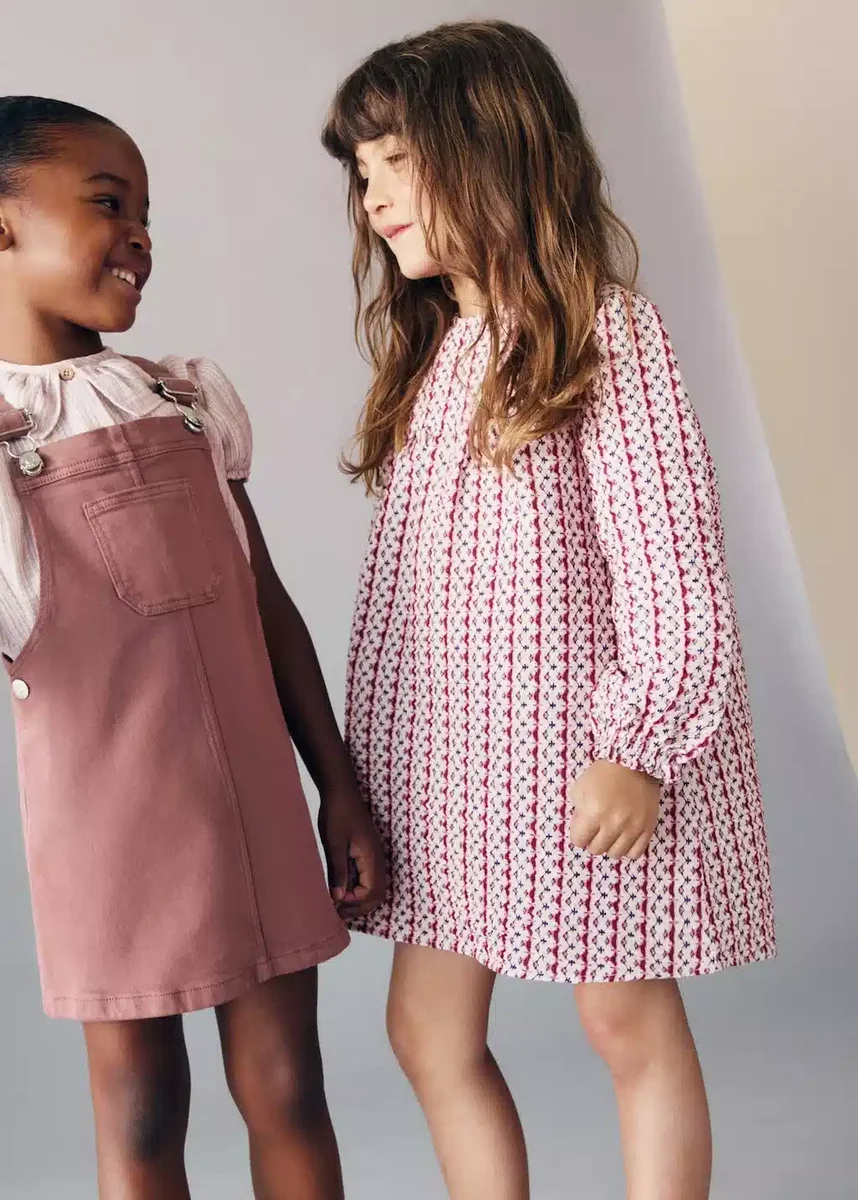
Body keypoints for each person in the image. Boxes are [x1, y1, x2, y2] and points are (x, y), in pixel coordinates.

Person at [322, 21, 776, 1200]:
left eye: (397, 161)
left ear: (493, 148)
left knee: (623, 1020)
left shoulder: (604, 335)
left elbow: (671, 570)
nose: (374, 196)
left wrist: (638, 747)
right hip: (455, 774)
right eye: (362, 172)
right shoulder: (440, 357)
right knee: (425, 1030)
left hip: (582, 763)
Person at [0, 94, 384, 1199]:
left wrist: (338, 785)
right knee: (141, 1111)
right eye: (107, 204)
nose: (140, 237)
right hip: (107, 826)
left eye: (147, 215)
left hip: (254, 799)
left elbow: (266, 602)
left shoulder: (183, 400)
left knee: (290, 1088)